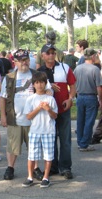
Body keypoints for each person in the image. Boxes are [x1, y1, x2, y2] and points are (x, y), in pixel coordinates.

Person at [0, 49, 50, 181]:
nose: (25, 63)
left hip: (34, 119)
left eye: (26, 60)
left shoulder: (37, 74)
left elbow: (48, 89)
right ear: (15, 62)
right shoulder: (9, 77)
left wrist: (46, 96)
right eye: (22, 61)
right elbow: (3, 98)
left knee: (34, 146)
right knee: (12, 145)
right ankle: (10, 167)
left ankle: (35, 169)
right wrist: (3, 116)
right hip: (15, 117)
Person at [37, 44, 76, 179]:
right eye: (48, 53)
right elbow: (36, 89)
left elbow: (72, 85)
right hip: (47, 111)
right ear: (43, 56)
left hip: (63, 108)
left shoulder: (65, 68)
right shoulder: (39, 72)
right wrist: (48, 85)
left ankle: (65, 167)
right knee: (50, 140)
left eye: (53, 53)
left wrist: (71, 98)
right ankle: (52, 167)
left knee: (65, 140)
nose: (51, 55)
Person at [22, 71, 58, 188]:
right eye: (37, 82)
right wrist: (38, 108)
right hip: (35, 131)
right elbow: (28, 116)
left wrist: (48, 109)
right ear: (33, 84)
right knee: (32, 155)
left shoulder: (50, 99)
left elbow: (55, 116)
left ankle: (46, 177)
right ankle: (30, 177)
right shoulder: (31, 99)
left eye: (42, 82)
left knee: (48, 155)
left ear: (45, 83)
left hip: (48, 130)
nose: (40, 85)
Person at [74, 48, 102, 152]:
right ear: (93, 56)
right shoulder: (95, 69)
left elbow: (74, 83)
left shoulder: (78, 68)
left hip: (80, 96)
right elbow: (99, 87)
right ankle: (84, 144)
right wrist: (100, 99)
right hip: (91, 96)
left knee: (80, 120)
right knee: (89, 121)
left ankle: (80, 141)